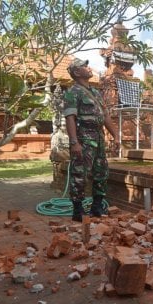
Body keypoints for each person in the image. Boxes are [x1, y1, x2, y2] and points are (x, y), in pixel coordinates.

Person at [63, 58, 119, 221]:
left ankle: (97, 207)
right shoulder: (72, 92)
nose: (88, 68)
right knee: (80, 173)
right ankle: (78, 210)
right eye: (84, 66)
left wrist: (116, 135)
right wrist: (74, 142)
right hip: (84, 138)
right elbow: (70, 118)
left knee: (101, 172)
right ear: (76, 72)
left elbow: (105, 116)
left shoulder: (95, 92)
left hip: (99, 137)